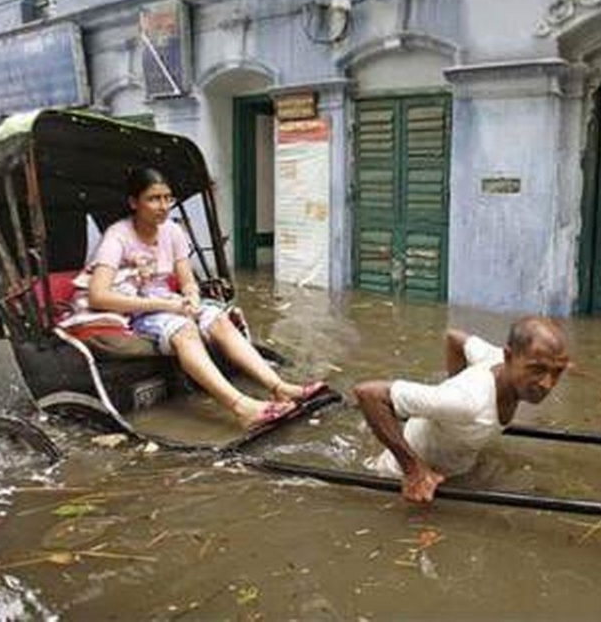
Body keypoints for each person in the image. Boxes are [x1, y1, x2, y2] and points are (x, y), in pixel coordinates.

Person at [84, 167, 326, 430]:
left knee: (219, 319)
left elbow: (187, 280)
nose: (163, 206)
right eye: (153, 199)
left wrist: (192, 297)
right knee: (184, 329)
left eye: (167, 198)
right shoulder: (118, 236)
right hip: (137, 307)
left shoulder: (172, 231)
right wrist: (166, 305)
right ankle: (242, 408)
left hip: (171, 300)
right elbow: (98, 295)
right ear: (134, 202)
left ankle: (279, 387)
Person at [354, 316, 570, 503]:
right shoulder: (467, 402)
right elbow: (369, 394)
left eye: (557, 371)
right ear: (508, 357)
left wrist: (448, 408)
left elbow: (454, 338)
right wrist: (414, 470)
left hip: (457, 472)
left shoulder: (493, 357)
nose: (547, 384)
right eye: (537, 369)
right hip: (398, 482)